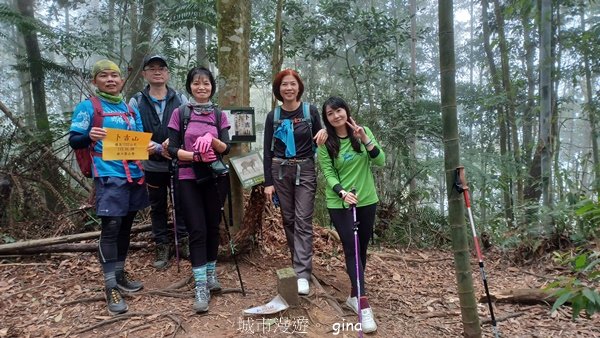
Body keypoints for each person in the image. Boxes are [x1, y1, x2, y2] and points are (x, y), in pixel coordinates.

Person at [69, 59, 150, 315]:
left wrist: (149, 147)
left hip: (133, 174)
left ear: (121, 80)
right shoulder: (88, 107)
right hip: (107, 174)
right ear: (95, 81)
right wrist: (88, 135)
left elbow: (138, 138)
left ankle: (119, 273)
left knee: (126, 225)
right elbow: (75, 139)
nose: (111, 80)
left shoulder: (129, 108)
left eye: (114, 76)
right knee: (111, 226)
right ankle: (110, 286)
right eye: (104, 76)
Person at [317, 96, 384, 333]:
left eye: (339, 110)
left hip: (367, 200)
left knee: (361, 248)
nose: (336, 116)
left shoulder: (362, 132)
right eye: (330, 113)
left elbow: (380, 160)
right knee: (351, 247)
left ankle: (354, 295)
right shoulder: (325, 142)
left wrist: (365, 139)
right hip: (340, 202)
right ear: (326, 118)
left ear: (346, 111)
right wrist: (342, 192)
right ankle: (364, 307)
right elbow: (328, 172)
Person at [167, 66, 231, 313]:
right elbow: (172, 150)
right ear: (189, 86)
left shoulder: (218, 115)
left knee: (213, 226)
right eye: (196, 83)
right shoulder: (180, 113)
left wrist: (211, 141)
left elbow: (226, 148)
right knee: (197, 230)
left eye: (206, 83)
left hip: (215, 177)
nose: (201, 87)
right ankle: (201, 285)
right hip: (188, 176)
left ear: (212, 86)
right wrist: (195, 155)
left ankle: (212, 274)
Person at [262, 69, 327, 295]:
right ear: (278, 90)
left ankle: (302, 273)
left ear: (299, 87)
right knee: (288, 219)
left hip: (305, 169)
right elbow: (267, 150)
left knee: (303, 219)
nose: (288, 88)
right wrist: (267, 182)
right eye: (284, 85)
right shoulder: (274, 116)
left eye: (292, 84)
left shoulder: (310, 111)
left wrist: (324, 133)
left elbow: (321, 135)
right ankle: (298, 260)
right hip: (280, 169)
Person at [129, 55, 189, 270]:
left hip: (177, 162)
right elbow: (132, 132)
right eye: (151, 68)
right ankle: (161, 245)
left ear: (168, 73)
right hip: (152, 164)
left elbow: (188, 126)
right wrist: (157, 148)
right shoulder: (136, 101)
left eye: (161, 68)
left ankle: (183, 241)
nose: (157, 72)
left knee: (182, 202)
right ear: (144, 73)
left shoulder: (179, 98)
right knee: (157, 206)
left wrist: (172, 145)